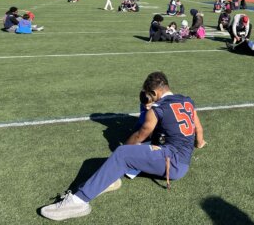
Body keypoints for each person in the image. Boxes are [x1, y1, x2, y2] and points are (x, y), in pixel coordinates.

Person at [40, 72, 206, 221]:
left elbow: (140, 134)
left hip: (172, 163)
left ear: (154, 93)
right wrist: (199, 143)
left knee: (122, 153)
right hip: (178, 159)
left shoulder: (157, 108)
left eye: (149, 95)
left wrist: (123, 152)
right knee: (140, 148)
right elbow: (198, 128)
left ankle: (79, 201)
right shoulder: (186, 100)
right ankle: (111, 177)